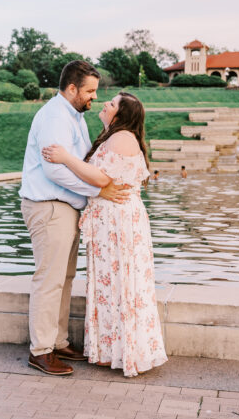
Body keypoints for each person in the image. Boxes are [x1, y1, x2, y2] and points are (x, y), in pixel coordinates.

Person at [42, 92, 168, 377]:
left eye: (111, 104)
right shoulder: (115, 135)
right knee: (110, 285)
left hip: (119, 225)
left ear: (121, 114)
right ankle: (111, 350)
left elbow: (100, 179)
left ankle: (126, 352)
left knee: (120, 284)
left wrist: (64, 157)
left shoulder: (122, 138)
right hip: (111, 224)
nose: (105, 105)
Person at [20, 61, 130, 376]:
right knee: (49, 280)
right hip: (48, 206)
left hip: (65, 208)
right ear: (72, 89)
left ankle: (57, 340)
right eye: (90, 91)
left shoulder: (74, 116)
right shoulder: (56, 116)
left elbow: (80, 160)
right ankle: (40, 351)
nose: (94, 96)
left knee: (64, 278)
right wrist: (98, 192)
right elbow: (55, 169)